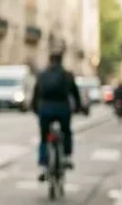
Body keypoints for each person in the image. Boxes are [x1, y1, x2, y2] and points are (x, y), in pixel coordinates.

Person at [31, 50, 84, 180]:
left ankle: (44, 164)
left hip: (45, 109)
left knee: (44, 137)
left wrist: (36, 110)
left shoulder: (42, 75)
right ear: (61, 61)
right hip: (62, 109)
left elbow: (36, 95)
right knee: (66, 131)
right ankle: (66, 157)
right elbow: (75, 94)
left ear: (49, 60)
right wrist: (77, 107)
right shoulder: (67, 75)